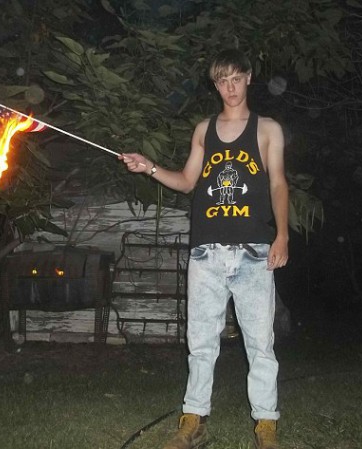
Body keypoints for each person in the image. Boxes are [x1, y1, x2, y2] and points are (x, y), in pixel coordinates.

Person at [119, 48, 289, 449]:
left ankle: (266, 426)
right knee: (200, 342)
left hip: (253, 252)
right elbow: (187, 181)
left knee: (260, 344)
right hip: (206, 252)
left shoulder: (267, 129)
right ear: (215, 85)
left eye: (236, 79)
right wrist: (149, 167)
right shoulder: (203, 130)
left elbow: (278, 183)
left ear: (248, 78)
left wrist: (282, 235)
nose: (230, 88)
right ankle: (193, 421)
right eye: (222, 81)